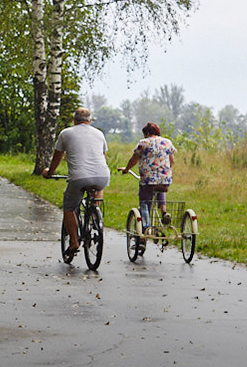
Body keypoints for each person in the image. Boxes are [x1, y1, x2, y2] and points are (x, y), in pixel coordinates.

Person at [42, 107, 111, 258]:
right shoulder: (99, 133)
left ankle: (74, 242)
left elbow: (57, 157)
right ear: (90, 121)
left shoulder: (66, 133)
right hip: (102, 176)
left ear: (74, 120)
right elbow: (103, 155)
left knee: (69, 208)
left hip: (79, 177)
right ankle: (94, 213)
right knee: (98, 187)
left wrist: (50, 172)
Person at [119, 122, 176, 233]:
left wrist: (126, 169)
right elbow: (171, 160)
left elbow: (134, 160)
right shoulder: (167, 142)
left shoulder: (143, 143)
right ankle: (164, 212)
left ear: (148, 133)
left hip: (147, 180)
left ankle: (145, 229)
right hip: (165, 179)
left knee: (145, 202)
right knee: (160, 188)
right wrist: (165, 172)